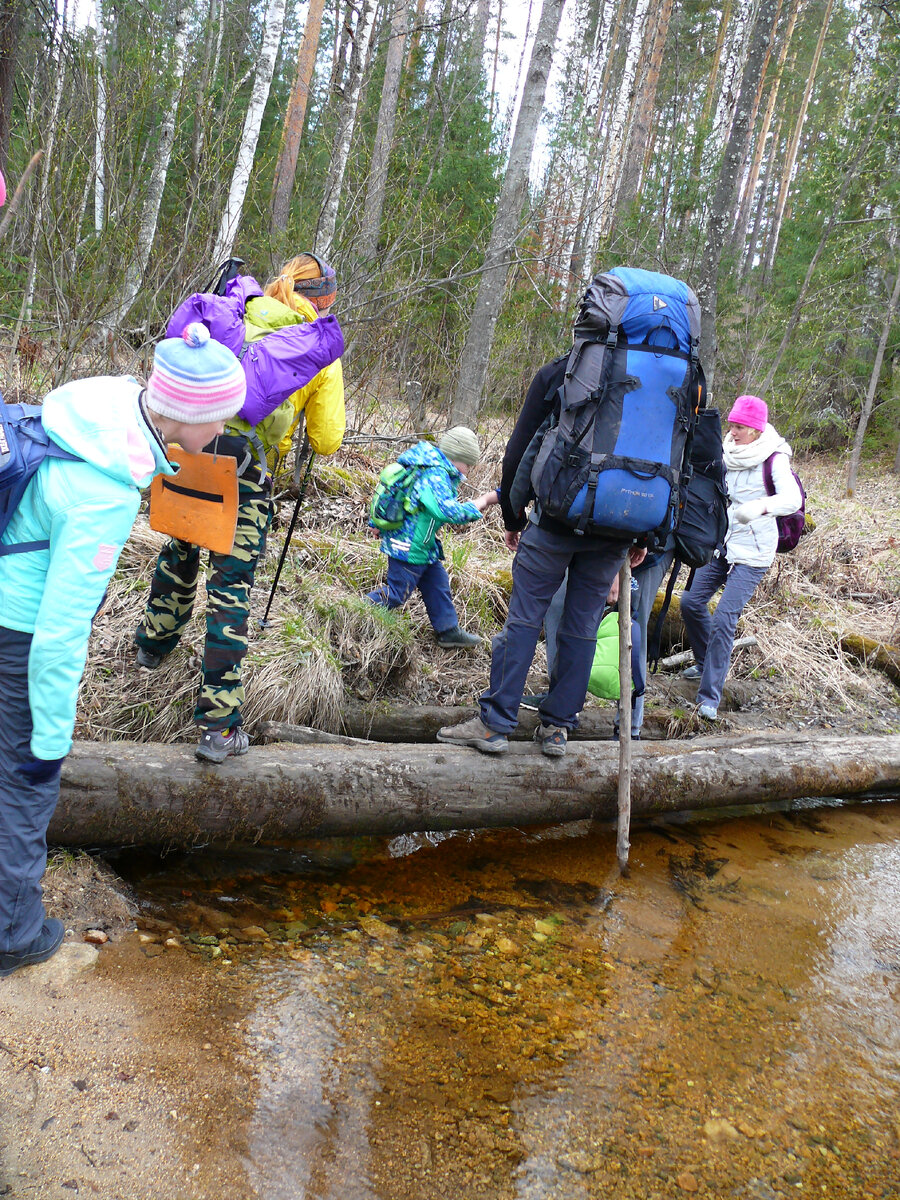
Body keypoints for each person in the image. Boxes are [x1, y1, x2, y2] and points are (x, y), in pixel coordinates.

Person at [0, 326, 246, 977]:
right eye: (217, 418)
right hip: (16, 629)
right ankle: (14, 934)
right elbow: (57, 637)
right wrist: (50, 740)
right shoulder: (105, 494)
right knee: (23, 780)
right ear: (188, 416)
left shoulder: (99, 405)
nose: (220, 431)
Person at [134, 255, 345, 763]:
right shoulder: (312, 343)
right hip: (246, 469)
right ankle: (218, 727)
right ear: (324, 299)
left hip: (189, 438)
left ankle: (152, 644)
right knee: (230, 589)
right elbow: (328, 439)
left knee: (182, 538)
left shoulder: (238, 311)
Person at [436, 355, 646, 758]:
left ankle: (495, 724)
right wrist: (644, 532)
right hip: (616, 528)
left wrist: (513, 516)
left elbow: (519, 448)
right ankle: (557, 729)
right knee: (582, 628)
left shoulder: (564, 370)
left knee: (524, 620)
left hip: (554, 522)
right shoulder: (650, 377)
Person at [679, 394, 802, 721]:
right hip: (724, 542)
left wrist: (759, 508)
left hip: (755, 552)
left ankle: (709, 699)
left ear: (757, 430)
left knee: (723, 618)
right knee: (690, 602)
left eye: (739, 427)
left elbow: (791, 499)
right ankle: (706, 664)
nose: (732, 431)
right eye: (731, 425)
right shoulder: (727, 452)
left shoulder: (774, 458)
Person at [366, 426, 498, 647]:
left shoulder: (426, 464)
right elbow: (446, 511)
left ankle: (448, 631)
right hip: (408, 547)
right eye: (468, 465)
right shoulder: (435, 474)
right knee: (397, 593)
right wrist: (483, 502)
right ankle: (361, 607)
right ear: (457, 458)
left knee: (437, 583)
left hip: (422, 546)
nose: (468, 471)